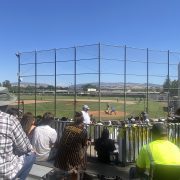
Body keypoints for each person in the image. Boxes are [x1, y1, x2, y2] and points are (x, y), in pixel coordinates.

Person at [0, 87, 36, 179]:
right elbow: (24, 148)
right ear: (6, 104)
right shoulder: (10, 120)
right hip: (4, 172)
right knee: (31, 155)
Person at [54, 111, 88, 180]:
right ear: (82, 121)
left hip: (60, 157)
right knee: (85, 149)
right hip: (72, 159)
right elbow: (84, 144)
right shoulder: (83, 131)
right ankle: (78, 170)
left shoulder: (67, 126)